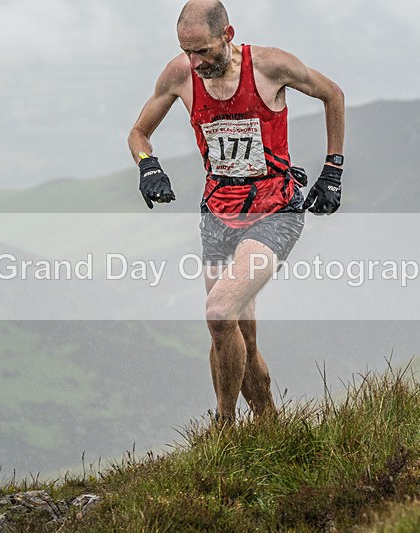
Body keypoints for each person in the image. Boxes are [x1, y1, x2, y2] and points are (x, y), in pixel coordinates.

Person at [127, 0, 345, 421]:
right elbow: (139, 132)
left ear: (228, 36)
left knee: (218, 311)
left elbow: (332, 94)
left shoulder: (270, 67)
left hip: (274, 212)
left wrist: (332, 171)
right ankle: (267, 423)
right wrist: (147, 166)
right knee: (234, 331)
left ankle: (223, 426)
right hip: (217, 217)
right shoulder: (180, 74)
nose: (195, 63)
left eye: (204, 52)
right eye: (187, 52)